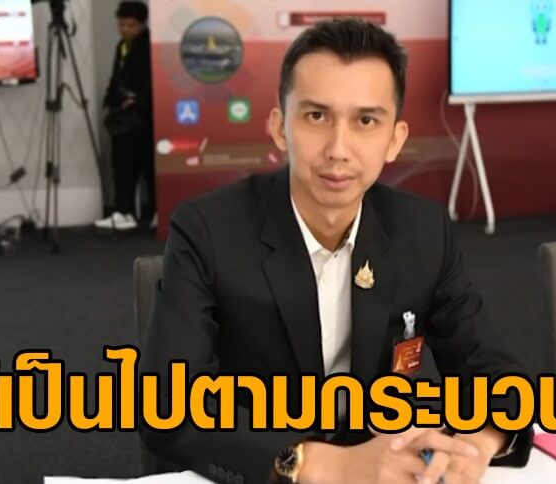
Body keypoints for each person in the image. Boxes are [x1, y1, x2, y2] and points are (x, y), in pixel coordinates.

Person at [141, 19, 533, 483]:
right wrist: (322, 464)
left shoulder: (423, 231)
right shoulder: (207, 230)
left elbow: (493, 371)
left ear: (394, 140)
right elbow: (167, 405)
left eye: (366, 121)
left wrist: (479, 442)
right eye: (316, 117)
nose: (338, 149)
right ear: (279, 127)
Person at [95, 1, 155, 231]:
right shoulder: (122, 46)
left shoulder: (150, 46)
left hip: (145, 118)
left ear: (142, 24)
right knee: (121, 167)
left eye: (131, 25)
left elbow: (153, 81)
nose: (125, 30)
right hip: (123, 118)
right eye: (121, 25)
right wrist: (111, 100)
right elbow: (116, 78)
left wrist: (139, 101)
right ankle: (123, 211)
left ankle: (156, 212)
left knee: (149, 167)